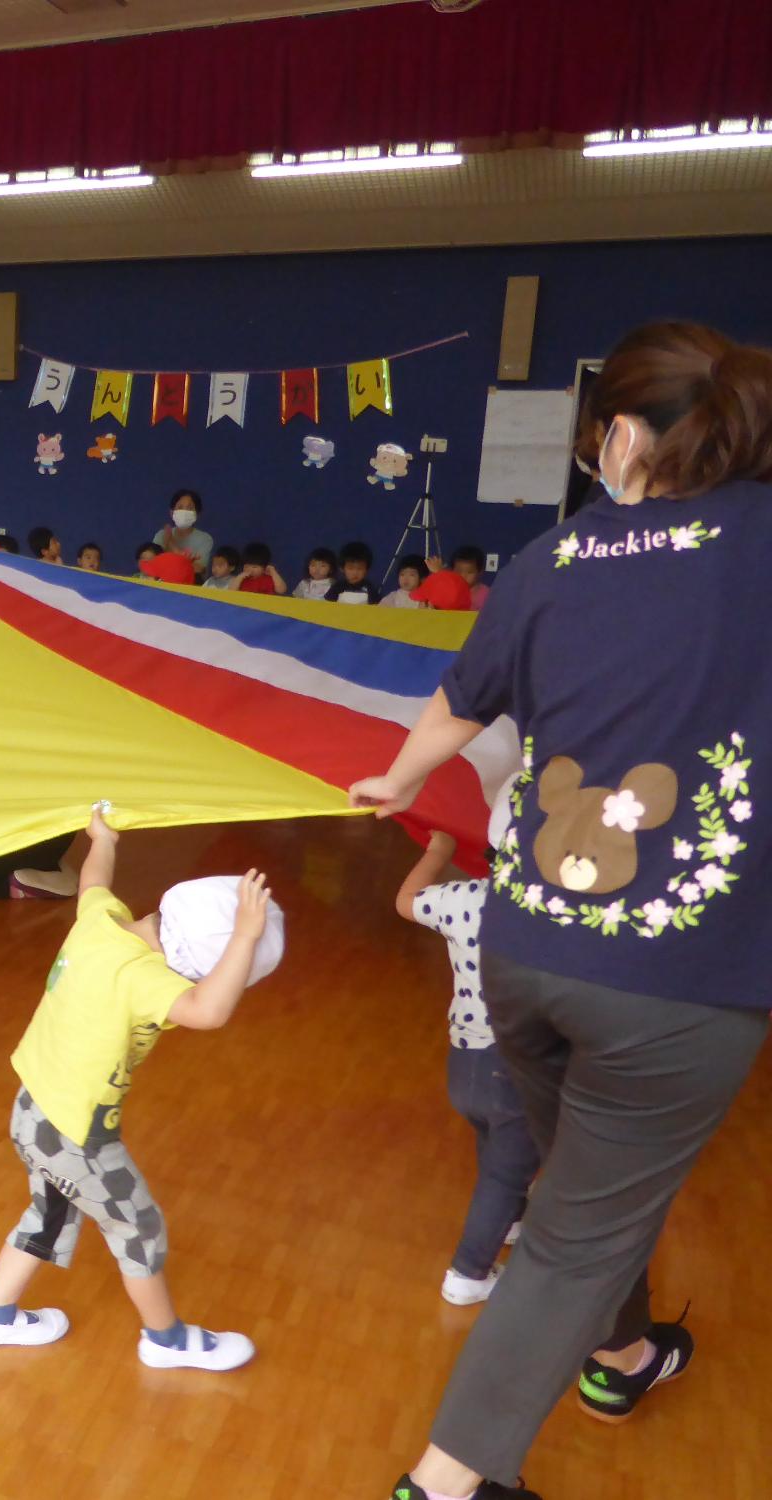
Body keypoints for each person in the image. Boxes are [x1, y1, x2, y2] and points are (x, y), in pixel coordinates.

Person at [352, 322, 772, 1500]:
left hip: (522, 950)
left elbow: (455, 696)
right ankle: (445, 1485)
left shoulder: (555, 556)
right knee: (582, 1218)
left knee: (582, 1181)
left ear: (623, 437)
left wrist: (393, 777)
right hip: (679, 979)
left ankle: (620, 1352)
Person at [0, 807, 283, 1372]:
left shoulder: (100, 923)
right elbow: (208, 1012)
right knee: (138, 1227)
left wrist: (102, 838)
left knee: (49, 1213)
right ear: (192, 965)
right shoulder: (145, 978)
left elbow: (94, 879)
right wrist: (246, 935)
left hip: (32, 1111)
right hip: (77, 1135)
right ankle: (167, 1341)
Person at [396, 810, 539, 1307]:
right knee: (506, 1167)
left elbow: (406, 902)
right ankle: (468, 1275)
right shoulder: (552, 916)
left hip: (466, 1061)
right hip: (517, 1068)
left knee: (497, 1149)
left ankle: (513, 1219)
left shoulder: (467, 899)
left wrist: (437, 853)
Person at [153, 489, 213, 579]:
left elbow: (199, 569)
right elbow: (153, 564)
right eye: (180, 507)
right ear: (172, 513)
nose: (184, 512)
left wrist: (171, 543)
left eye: (190, 508)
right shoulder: (161, 535)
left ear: (197, 513)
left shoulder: (205, 539)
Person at [445, 544, 492, 609]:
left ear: (480, 572)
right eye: (458, 572)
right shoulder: (448, 591)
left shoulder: (487, 594)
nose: (463, 576)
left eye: (470, 572)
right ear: (451, 571)